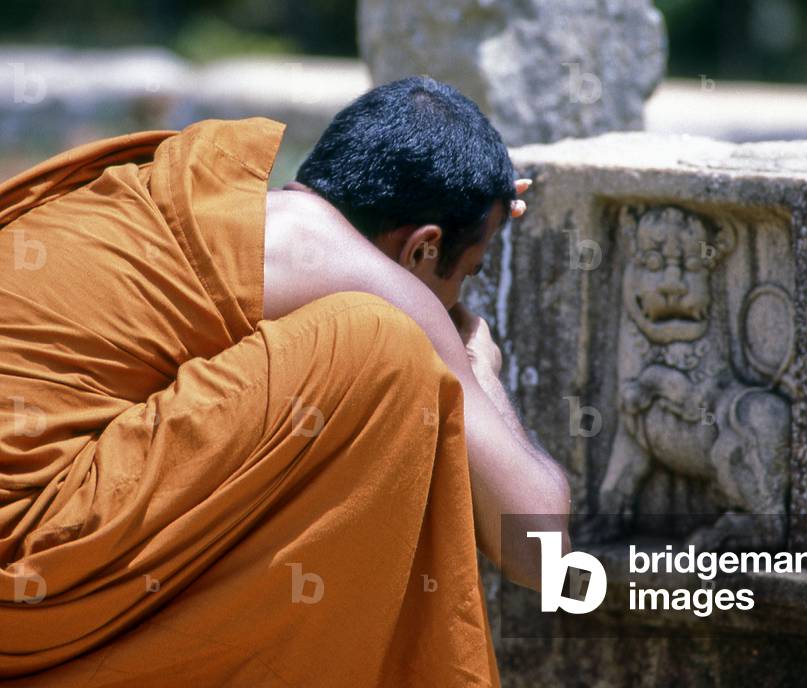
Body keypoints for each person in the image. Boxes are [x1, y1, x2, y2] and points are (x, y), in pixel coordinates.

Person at [0, 76, 570, 686]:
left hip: (38, 552)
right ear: (422, 249)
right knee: (383, 350)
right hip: (25, 571)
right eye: (471, 272)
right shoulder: (347, 266)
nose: (461, 299)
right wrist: (477, 369)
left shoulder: (199, 200)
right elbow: (539, 549)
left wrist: (470, 198)